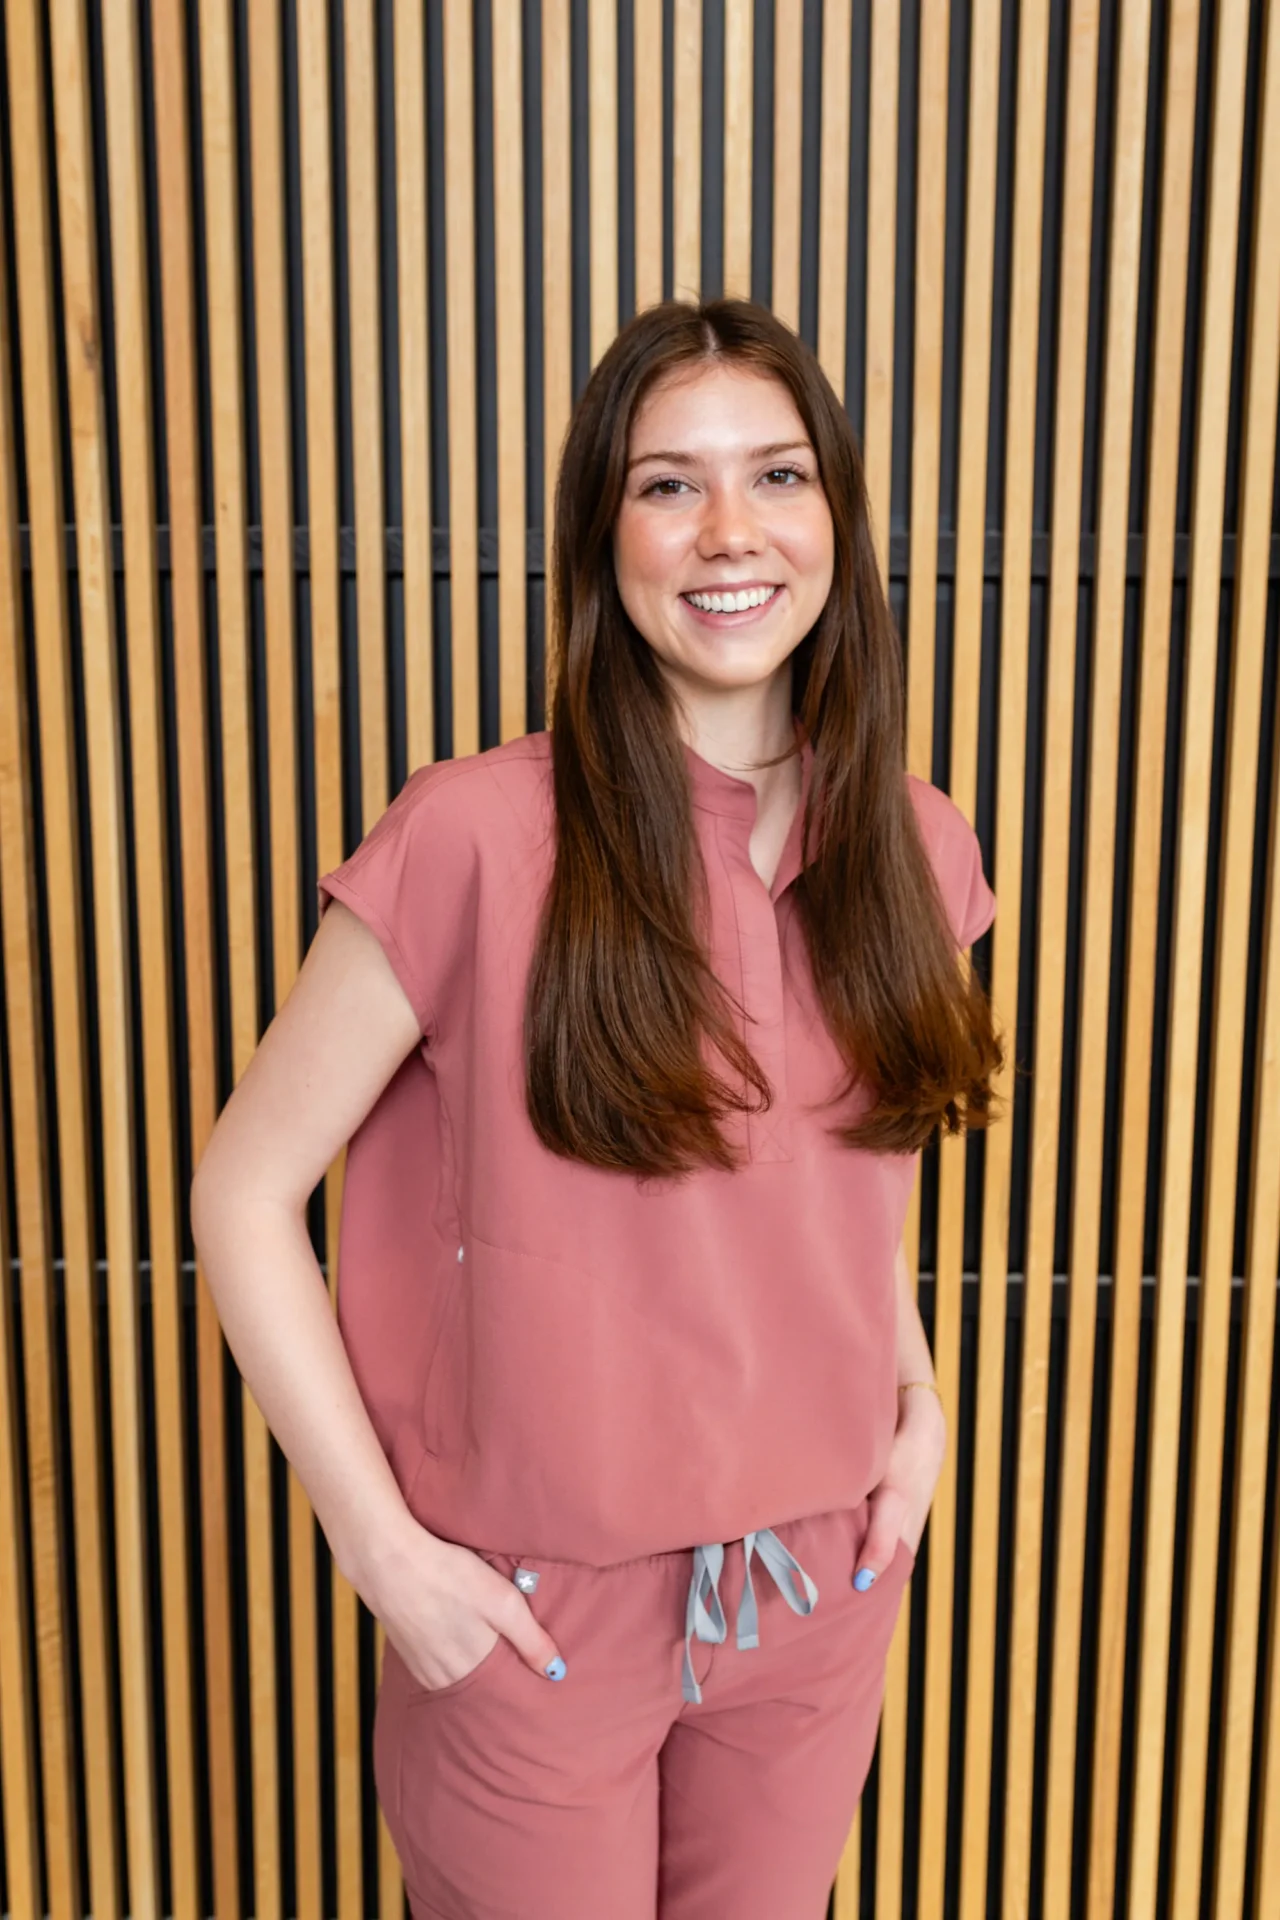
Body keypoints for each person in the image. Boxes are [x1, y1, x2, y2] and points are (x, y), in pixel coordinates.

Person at [191, 296, 1004, 1919]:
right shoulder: (473, 838)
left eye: (778, 476)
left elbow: (852, 1185)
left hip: (820, 1577)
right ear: (601, 533)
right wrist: (384, 1556)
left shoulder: (922, 847)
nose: (730, 532)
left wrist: (914, 1416)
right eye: (666, 484)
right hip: (530, 1616)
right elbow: (240, 1192)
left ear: (837, 512)